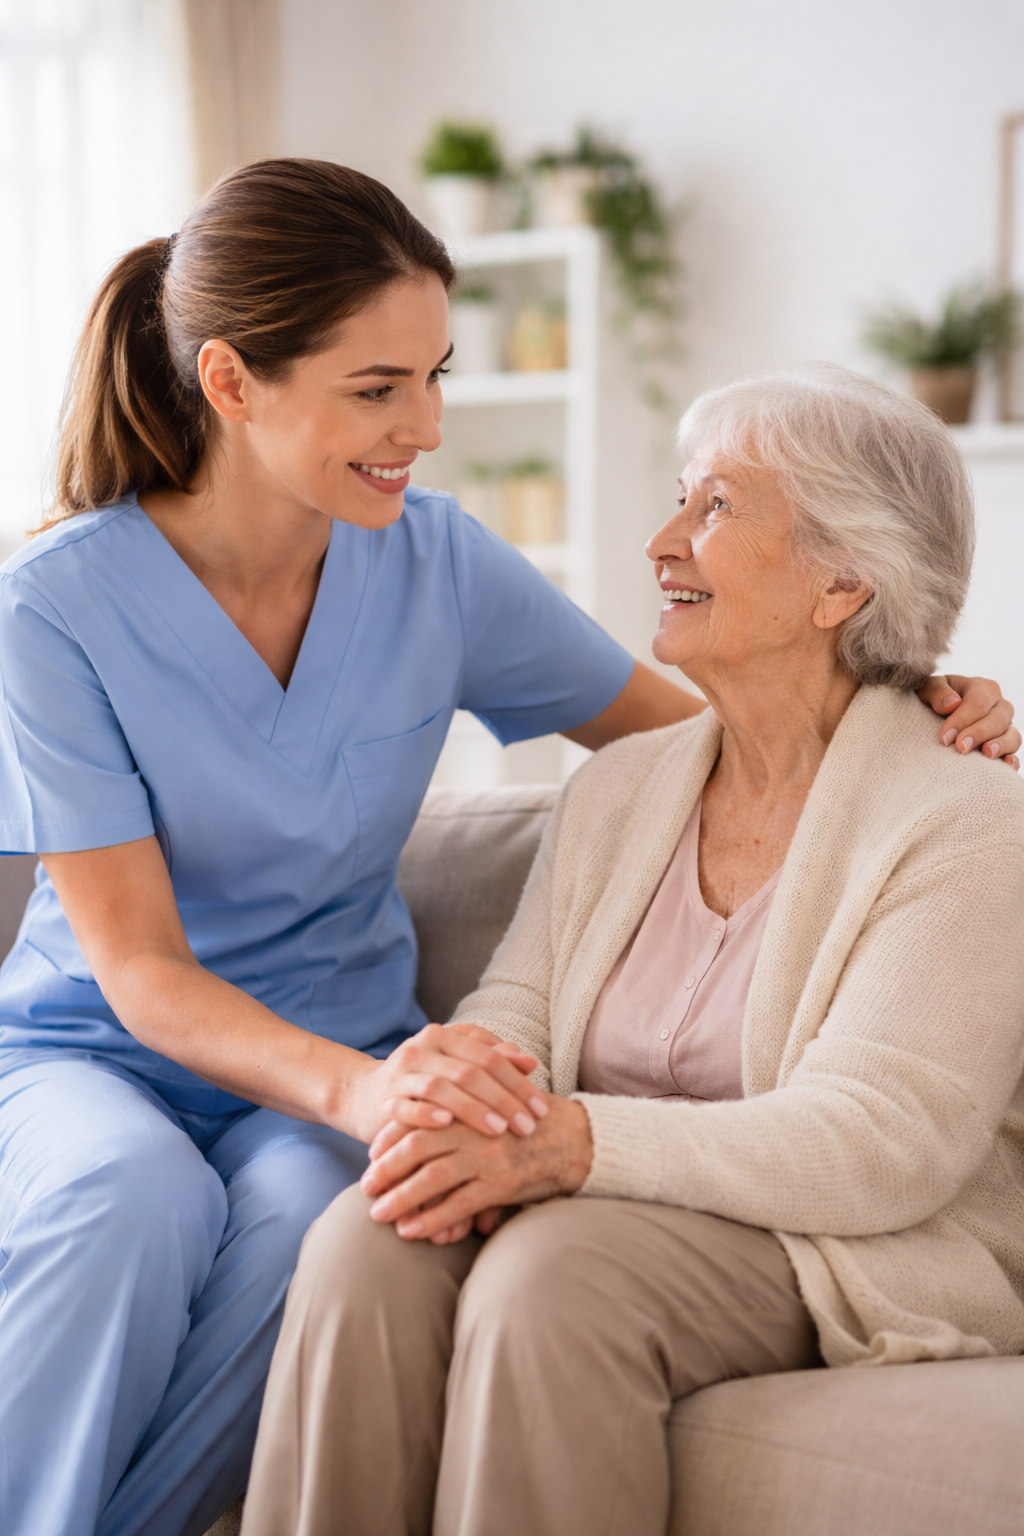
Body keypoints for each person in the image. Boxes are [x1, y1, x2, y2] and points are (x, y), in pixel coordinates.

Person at [0, 160, 1013, 1535]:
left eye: (436, 376)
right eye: (377, 388)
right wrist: (372, 1101)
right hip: (119, 1047)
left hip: (351, 1060)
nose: (423, 425)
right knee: (127, 1205)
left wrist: (915, 696)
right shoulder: (55, 606)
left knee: (332, 1227)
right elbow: (140, 969)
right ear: (232, 383)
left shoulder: (437, 563)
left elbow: (717, 735)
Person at [241, 366, 1024, 1536]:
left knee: (557, 1276)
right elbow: (518, 1010)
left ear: (842, 582)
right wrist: (467, 1096)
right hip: (600, 1196)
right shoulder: (619, 788)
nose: (661, 541)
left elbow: (880, 1145)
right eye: (677, 499)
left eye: (714, 508)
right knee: (373, 1232)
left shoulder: (965, 820)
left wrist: (570, 1143)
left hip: (843, 1239)